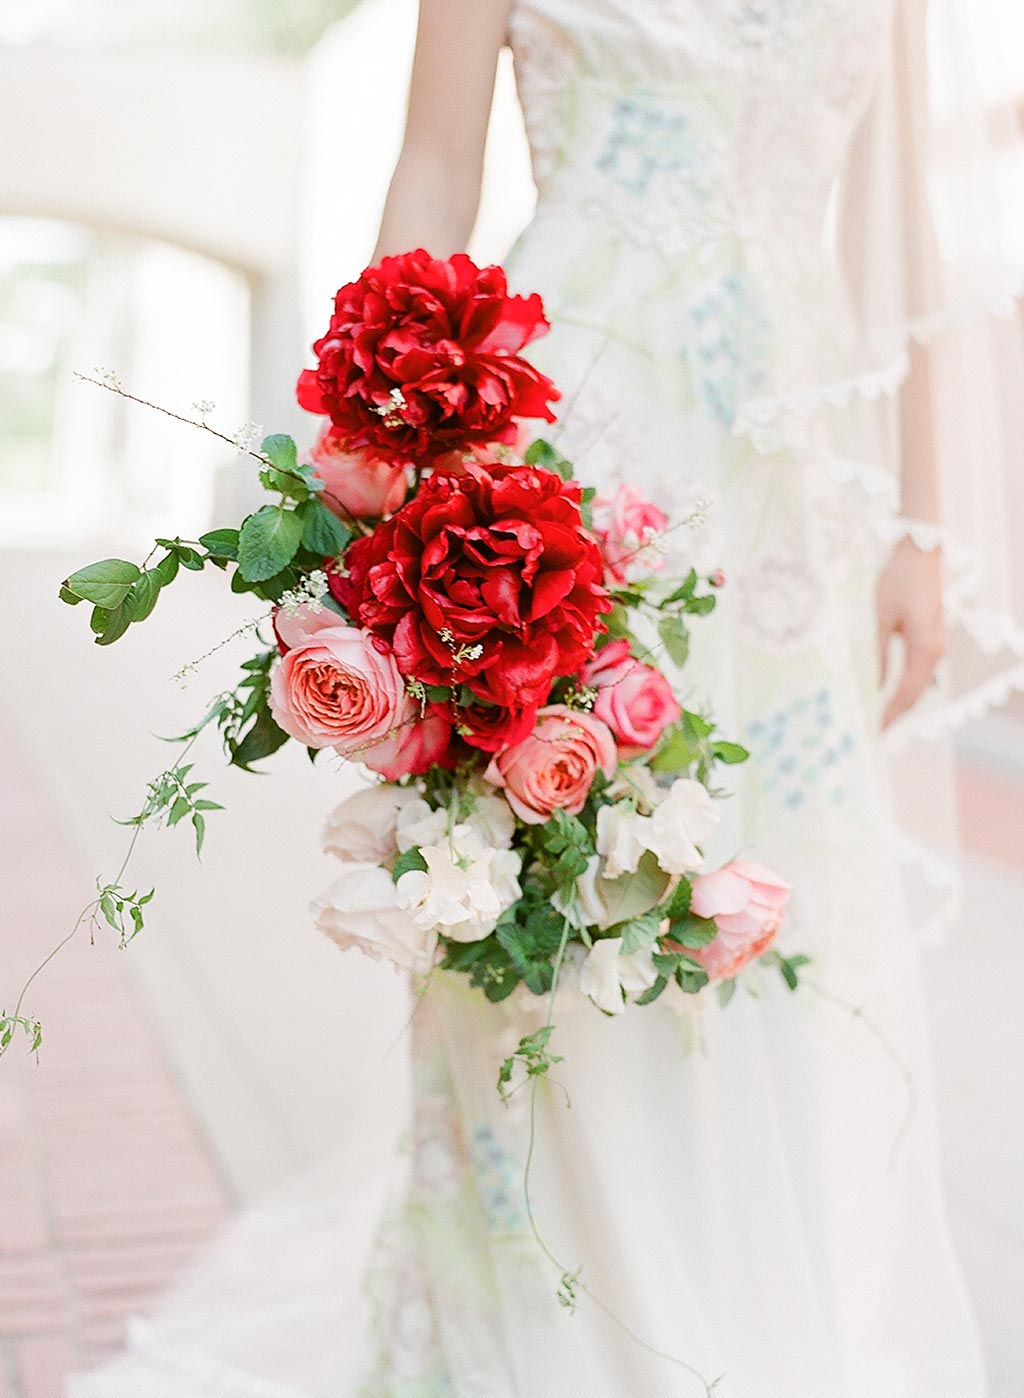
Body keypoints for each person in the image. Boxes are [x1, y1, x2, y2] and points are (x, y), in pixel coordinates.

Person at [72, 1, 1024, 1394]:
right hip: (562, 453)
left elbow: (903, 222)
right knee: (539, 894)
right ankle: (530, 1338)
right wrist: (386, 464)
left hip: (792, 475)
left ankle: (749, 1314)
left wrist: (922, 527)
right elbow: (436, 163)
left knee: (774, 906)